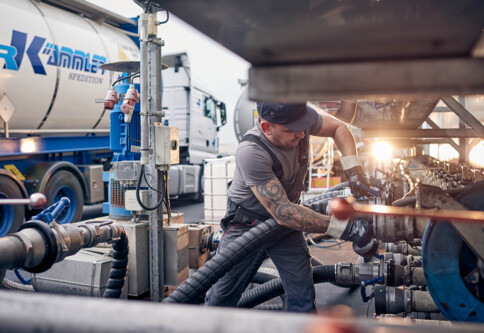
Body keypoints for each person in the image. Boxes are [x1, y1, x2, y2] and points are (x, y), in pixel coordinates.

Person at [205, 102, 371, 312]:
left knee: (302, 297)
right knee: (221, 299)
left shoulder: (299, 125)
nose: (302, 134)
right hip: (246, 226)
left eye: (304, 125)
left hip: (285, 226)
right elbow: (284, 213)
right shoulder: (251, 151)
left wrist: (354, 171)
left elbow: (339, 127)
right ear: (267, 128)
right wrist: (345, 228)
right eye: (292, 129)